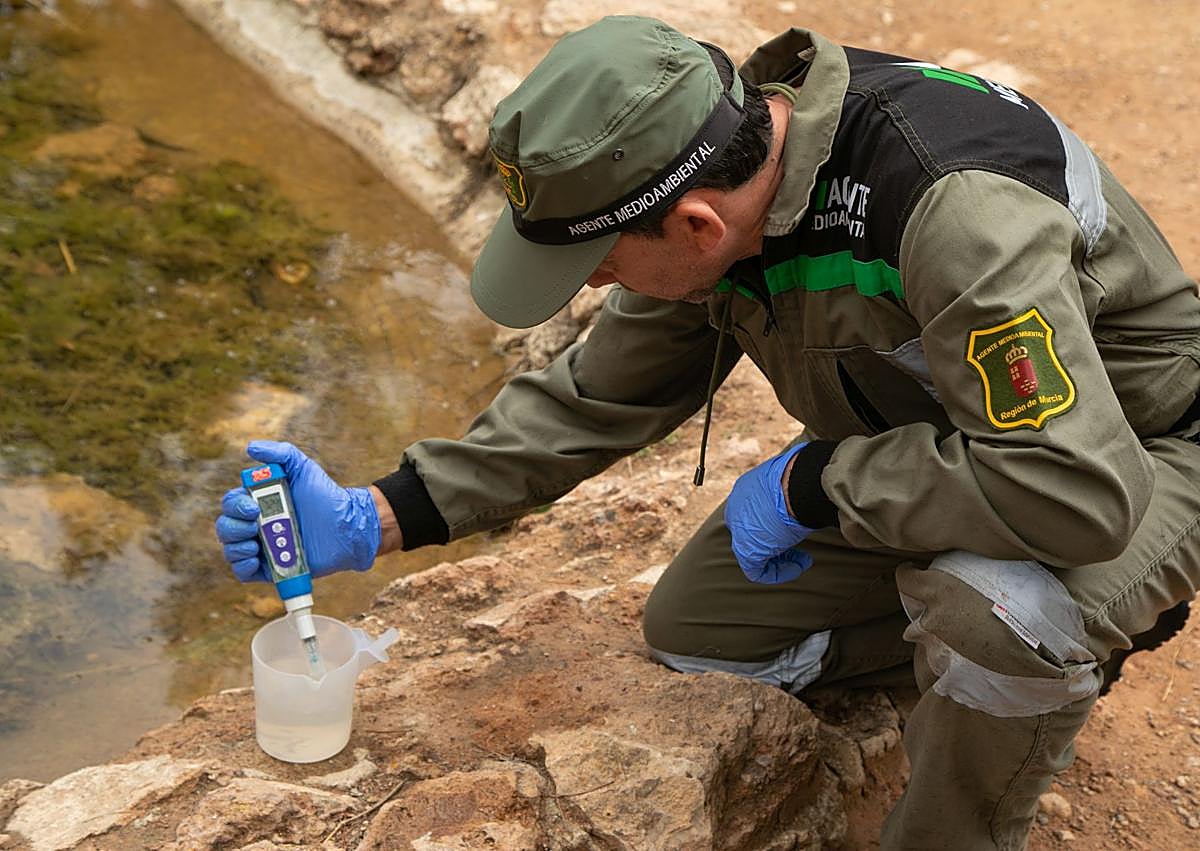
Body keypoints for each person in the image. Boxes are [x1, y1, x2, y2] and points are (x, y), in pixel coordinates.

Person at [216, 15, 1200, 848]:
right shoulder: (731, 185)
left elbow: (1077, 486)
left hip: (1141, 456)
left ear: (692, 225)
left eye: (598, 265)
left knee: (1000, 610)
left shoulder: (952, 210)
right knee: (696, 624)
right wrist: (381, 511)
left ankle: (979, 768)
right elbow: (597, 395)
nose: (593, 287)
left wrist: (821, 484)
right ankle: (953, 639)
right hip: (953, 450)